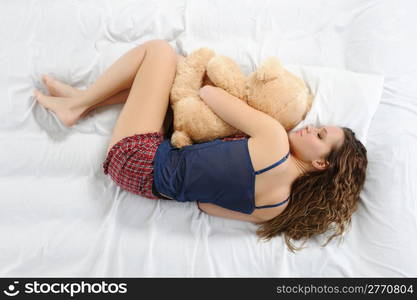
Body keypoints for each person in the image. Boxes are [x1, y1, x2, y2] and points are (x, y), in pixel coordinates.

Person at [34, 39, 368, 251]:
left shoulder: (275, 140)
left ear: (322, 163)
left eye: (320, 136)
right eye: (319, 128)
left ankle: (77, 106)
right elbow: (205, 206)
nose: (311, 129)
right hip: (145, 183)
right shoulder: (276, 207)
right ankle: (83, 101)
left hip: (136, 155)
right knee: (169, 77)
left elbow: (209, 93)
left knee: (162, 53)